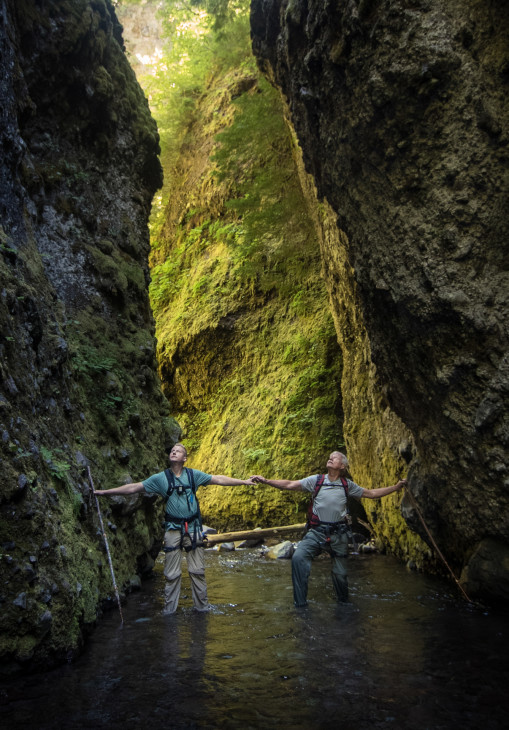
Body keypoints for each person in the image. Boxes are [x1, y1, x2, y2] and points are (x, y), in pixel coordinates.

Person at [94, 443, 256, 614]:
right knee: (172, 574)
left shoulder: (194, 475)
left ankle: (202, 608)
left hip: (193, 529)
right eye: (172, 450)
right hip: (172, 529)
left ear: (184, 458)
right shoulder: (160, 479)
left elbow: (219, 479)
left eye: (178, 451)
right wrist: (105, 493)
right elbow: (134, 487)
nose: (173, 451)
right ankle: (170, 611)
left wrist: (244, 482)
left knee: (197, 571)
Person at [252, 451, 406, 607]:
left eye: (335, 457)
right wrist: (266, 481)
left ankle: (344, 605)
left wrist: (397, 487)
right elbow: (290, 485)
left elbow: (372, 493)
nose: (330, 458)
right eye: (330, 457)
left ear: (342, 466)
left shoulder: (347, 485)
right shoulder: (316, 481)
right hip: (316, 532)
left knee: (341, 575)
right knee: (298, 558)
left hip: (339, 535)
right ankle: (300, 605)